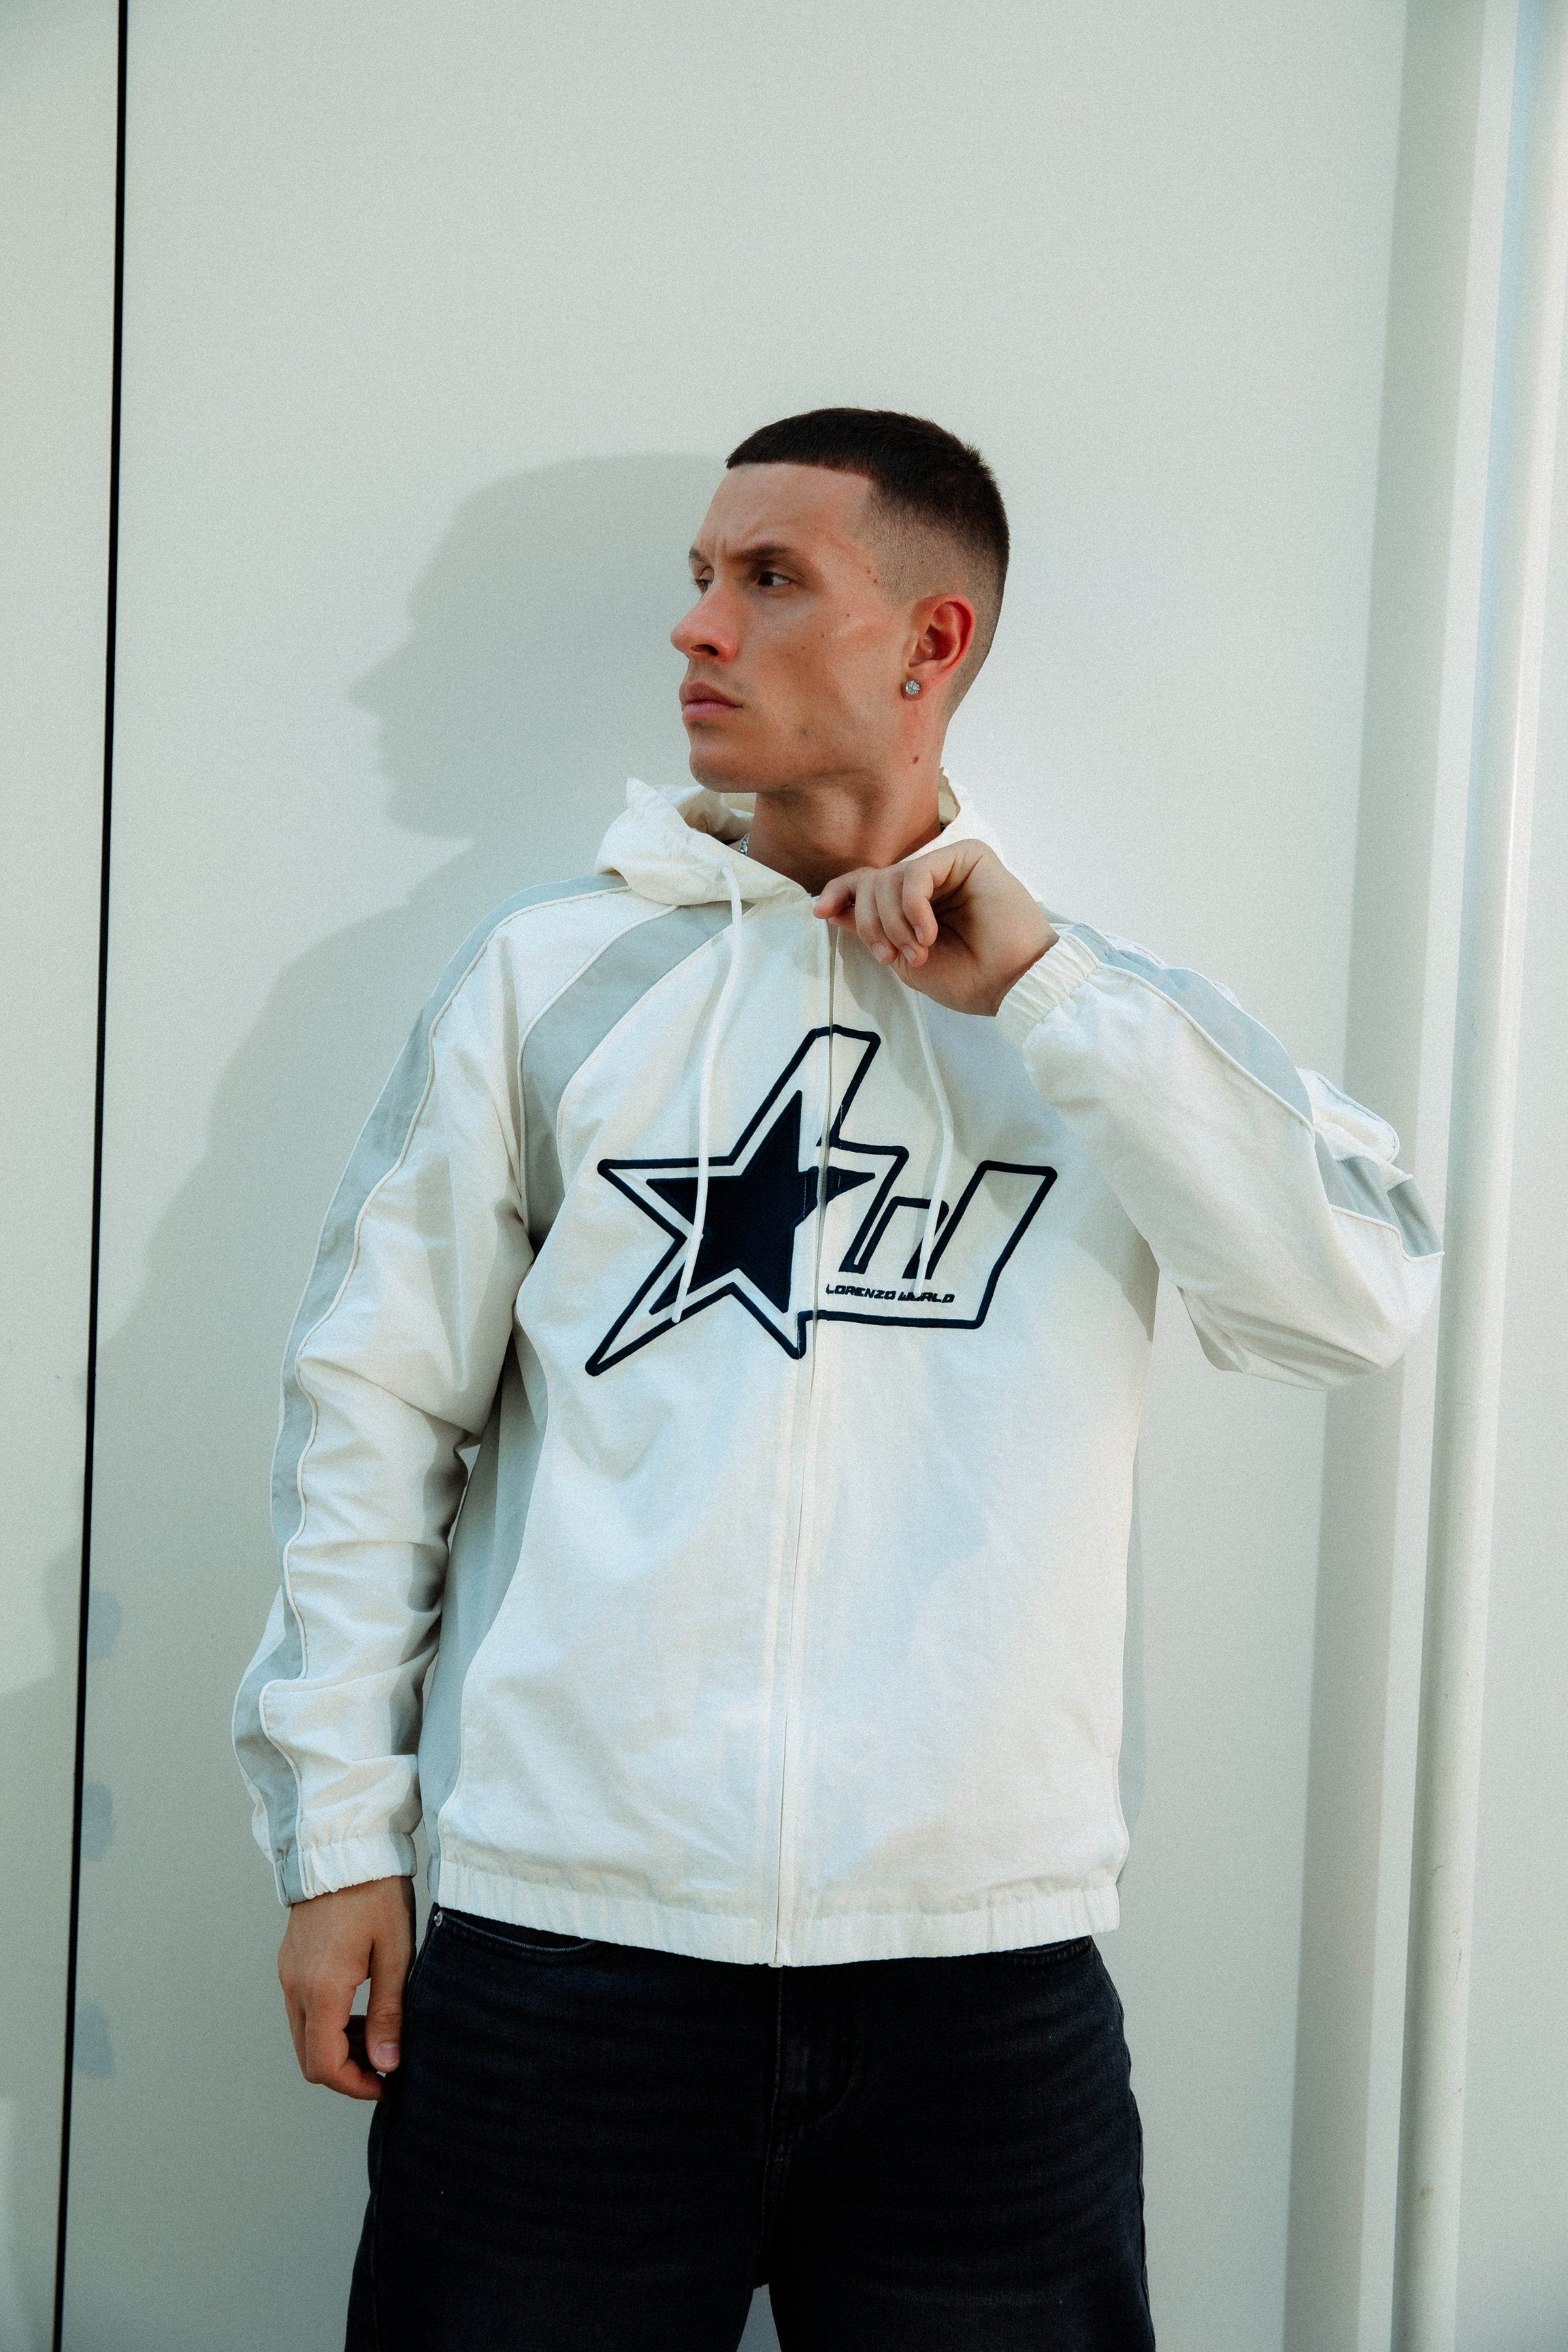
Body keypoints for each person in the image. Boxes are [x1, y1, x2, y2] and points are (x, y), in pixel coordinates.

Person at [234, 408, 1440, 2349]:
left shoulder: (1099, 1024)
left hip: (985, 1988)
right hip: (568, 1956)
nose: (698, 625)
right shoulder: (549, 979)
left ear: (929, 641)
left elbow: (1350, 1303)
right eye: (700, 577)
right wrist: (339, 1842)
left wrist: (1047, 993)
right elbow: (373, 1419)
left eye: (770, 577)